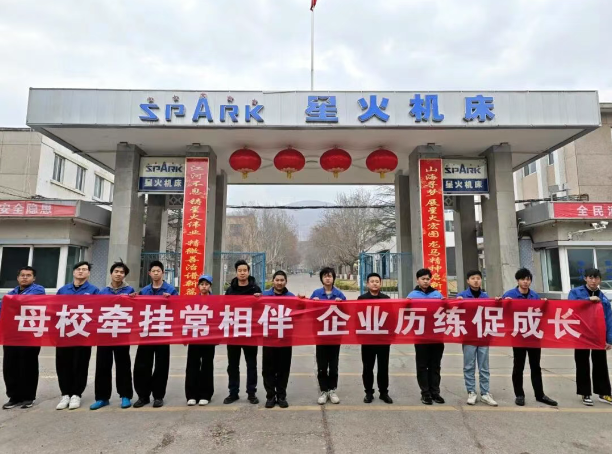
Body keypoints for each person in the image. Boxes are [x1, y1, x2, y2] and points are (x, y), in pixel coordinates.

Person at [503, 268, 557, 407]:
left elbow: (541, 314)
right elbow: (501, 313)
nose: (525, 282)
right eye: (523, 279)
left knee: (535, 366)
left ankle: (540, 394)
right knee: (518, 366)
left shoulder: (535, 296)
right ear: (518, 280)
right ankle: (519, 395)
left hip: (533, 335)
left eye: (528, 279)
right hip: (518, 336)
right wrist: (503, 303)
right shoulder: (509, 295)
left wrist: (544, 304)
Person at [90, 261, 135, 410]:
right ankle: (102, 397)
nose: (118, 274)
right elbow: (96, 311)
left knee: (123, 365)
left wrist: (132, 299)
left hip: (122, 333)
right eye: (116, 271)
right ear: (111, 273)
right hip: (105, 333)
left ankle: (125, 396)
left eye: (122, 272)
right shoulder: (102, 291)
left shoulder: (130, 291)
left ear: (124, 275)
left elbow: (134, 310)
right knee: (103, 365)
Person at [133, 260, 178, 409]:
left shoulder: (171, 290)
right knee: (142, 364)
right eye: (154, 271)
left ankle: (158, 396)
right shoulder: (144, 291)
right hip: (146, 332)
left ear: (163, 273)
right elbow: (137, 309)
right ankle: (143, 396)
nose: (156, 273)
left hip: (163, 332)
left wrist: (171, 301)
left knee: (161, 365)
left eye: (159, 271)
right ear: (149, 273)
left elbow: (178, 308)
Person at [55, 261, 100, 410]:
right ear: (74, 272)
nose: (81, 271)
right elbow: (54, 310)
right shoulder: (63, 290)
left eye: (84, 269)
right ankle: (65, 394)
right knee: (63, 364)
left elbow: (97, 311)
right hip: (64, 333)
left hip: (83, 333)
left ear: (88, 273)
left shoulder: (94, 291)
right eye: (78, 269)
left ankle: (76, 394)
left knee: (80, 364)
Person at [2, 266, 46, 410]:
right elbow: (3, 307)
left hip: (29, 334)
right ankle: (14, 397)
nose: (25, 277)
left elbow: (25, 301)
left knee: (28, 366)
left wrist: (11, 303)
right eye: (22, 275)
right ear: (18, 278)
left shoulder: (38, 290)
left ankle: (28, 397)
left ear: (34, 278)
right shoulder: (12, 292)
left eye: (28, 275)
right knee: (10, 366)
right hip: (11, 335)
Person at [568, 268, 612, 406]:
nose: (593, 281)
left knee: (600, 363)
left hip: (598, 335)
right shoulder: (575, 292)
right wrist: (588, 300)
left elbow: (609, 319)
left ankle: (604, 393)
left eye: (596, 278)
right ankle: (585, 392)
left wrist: (609, 339)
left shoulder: (603, 297)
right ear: (585, 278)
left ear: (600, 280)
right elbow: (571, 307)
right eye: (591, 278)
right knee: (582, 363)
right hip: (581, 334)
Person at [224, 259, 262, 405]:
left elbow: (261, 309)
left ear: (248, 272)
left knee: (251, 364)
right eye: (239, 271)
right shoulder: (230, 290)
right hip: (234, 332)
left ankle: (251, 393)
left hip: (250, 332)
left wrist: (259, 300)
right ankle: (233, 392)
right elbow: (224, 308)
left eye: (244, 270)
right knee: (232, 365)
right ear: (236, 272)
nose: (242, 273)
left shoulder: (255, 289)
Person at [456, 270, 497, 406]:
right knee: (469, 365)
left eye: (478, 278)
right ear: (468, 281)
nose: (476, 281)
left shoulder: (486, 296)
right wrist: (457, 303)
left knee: (484, 366)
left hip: (483, 335)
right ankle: (471, 391)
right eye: (473, 278)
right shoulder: (462, 296)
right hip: (468, 335)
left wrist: (497, 302)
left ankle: (485, 393)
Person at [407, 268, 445, 405]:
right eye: (423, 279)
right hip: (420, 335)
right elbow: (406, 313)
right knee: (422, 365)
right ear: (417, 280)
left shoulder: (437, 295)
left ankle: (435, 392)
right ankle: (425, 393)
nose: (425, 281)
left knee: (435, 365)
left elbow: (446, 311)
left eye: (428, 279)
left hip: (437, 335)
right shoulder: (412, 296)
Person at [311, 267, 346, 405]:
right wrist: (312, 303)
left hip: (335, 334)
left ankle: (332, 389)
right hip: (320, 335)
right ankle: (323, 390)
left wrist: (341, 304)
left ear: (333, 278)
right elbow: (308, 312)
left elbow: (347, 312)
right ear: (321, 278)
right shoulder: (316, 294)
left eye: (330, 276)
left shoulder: (339, 294)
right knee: (322, 364)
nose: (327, 278)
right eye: (325, 276)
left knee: (333, 364)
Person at [261, 270, 295, 409]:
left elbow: (300, 313)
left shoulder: (291, 297)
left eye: (282, 280)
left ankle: (281, 395)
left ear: (286, 282)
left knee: (283, 368)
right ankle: (270, 396)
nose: (279, 282)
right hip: (268, 338)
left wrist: (303, 301)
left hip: (285, 338)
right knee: (268, 369)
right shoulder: (264, 296)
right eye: (277, 280)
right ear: (273, 281)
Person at [359, 272, 393, 404]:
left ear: (380, 283)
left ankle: (384, 392)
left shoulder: (386, 298)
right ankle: (368, 392)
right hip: (367, 339)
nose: (375, 283)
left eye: (377, 281)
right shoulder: (361, 299)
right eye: (372, 281)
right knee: (368, 367)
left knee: (383, 367)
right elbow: (357, 317)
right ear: (367, 284)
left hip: (383, 339)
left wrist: (391, 336)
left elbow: (391, 318)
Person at [185, 274, 216, 407]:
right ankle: (191, 395)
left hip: (209, 338)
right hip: (194, 337)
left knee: (207, 366)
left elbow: (218, 319)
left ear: (210, 286)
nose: (204, 287)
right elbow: (186, 317)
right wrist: (185, 336)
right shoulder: (192, 300)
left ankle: (205, 394)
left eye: (206, 284)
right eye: (202, 284)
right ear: (198, 286)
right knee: (192, 365)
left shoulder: (215, 301)